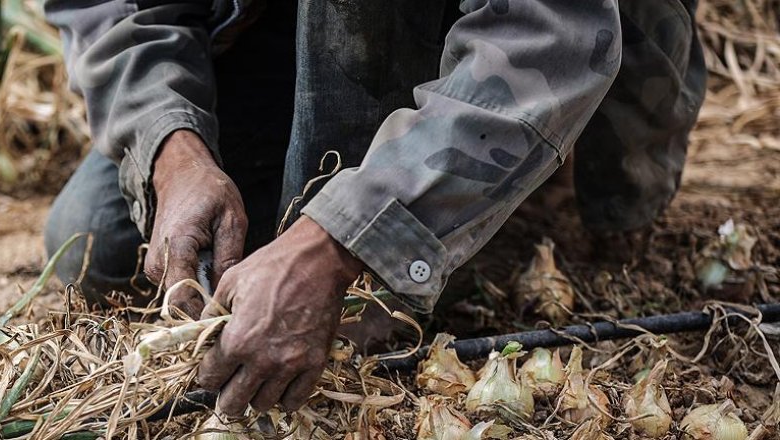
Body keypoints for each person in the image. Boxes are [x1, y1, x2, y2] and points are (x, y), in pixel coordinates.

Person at [44, 0, 705, 417]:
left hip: (506, 32)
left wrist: (337, 243)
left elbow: (553, 33)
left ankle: (544, 168)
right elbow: (107, 7)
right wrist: (172, 148)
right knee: (98, 243)